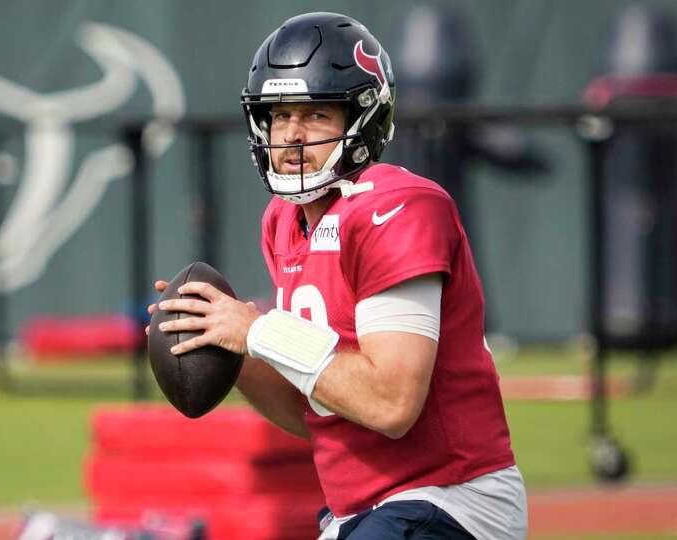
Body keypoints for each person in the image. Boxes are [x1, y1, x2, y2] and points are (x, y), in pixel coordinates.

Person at [147, 12, 527, 540]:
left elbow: (391, 403)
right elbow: (319, 409)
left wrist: (257, 329)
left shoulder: (399, 208)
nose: (292, 136)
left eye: (316, 115)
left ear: (363, 119)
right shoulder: (283, 222)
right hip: (365, 510)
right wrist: (226, 347)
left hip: (448, 498)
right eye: (279, 117)